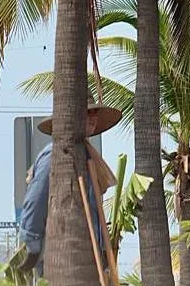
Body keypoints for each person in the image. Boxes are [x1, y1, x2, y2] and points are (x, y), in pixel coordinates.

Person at [17, 97, 121, 274]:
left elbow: (94, 209)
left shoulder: (88, 155)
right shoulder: (55, 155)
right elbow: (36, 201)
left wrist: (103, 247)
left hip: (88, 258)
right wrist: (32, 245)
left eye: (94, 112)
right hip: (62, 256)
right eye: (87, 112)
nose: (92, 117)